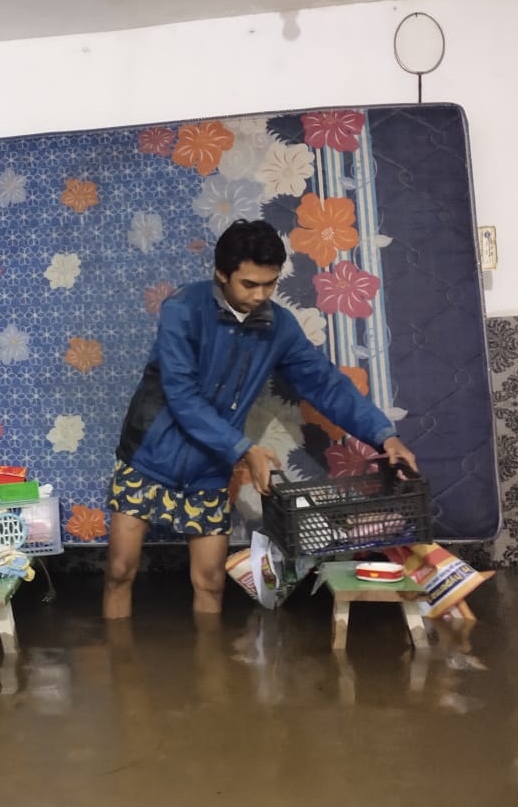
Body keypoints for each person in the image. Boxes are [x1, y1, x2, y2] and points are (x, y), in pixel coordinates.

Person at [103, 218, 417, 619]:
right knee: (118, 571)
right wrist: (244, 449)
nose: (260, 295)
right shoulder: (182, 309)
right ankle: (120, 671)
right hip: (148, 457)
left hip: (209, 468)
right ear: (221, 274)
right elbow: (181, 396)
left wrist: (383, 436)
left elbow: (325, 385)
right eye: (249, 284)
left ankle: (209, 675)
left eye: (269, 284)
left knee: (211, 581)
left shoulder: (279, 326)